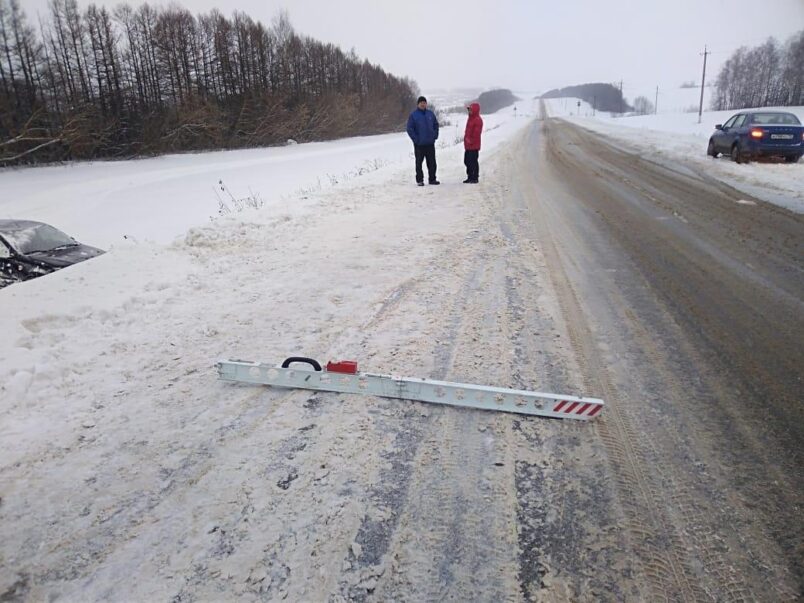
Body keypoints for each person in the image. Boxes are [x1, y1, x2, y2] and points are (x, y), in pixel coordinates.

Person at [406, 96, 440, 186]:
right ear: (418, 104)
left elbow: (436, 125)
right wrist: (416, 140)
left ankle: (432, 179)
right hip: (419, 144)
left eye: (424, 102)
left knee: (432, 162)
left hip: (430, 143)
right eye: (421, 102)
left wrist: (435, 135)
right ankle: (420, 180)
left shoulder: (430, 114)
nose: (423, 104)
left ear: (426, 104)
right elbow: (409, 129)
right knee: (418, 163)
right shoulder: (413, 115)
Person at [463, 102, 483, 183]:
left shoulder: (478, 120)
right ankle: (470, 176)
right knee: (467, 161)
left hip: (474, 145)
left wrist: (470, 141)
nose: (469, 111)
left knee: (473, 161)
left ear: (475, 110)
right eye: (469, 110)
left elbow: (477, 133)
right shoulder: (470, 118)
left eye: (471, 110)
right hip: (468, 145)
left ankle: (475, 177)